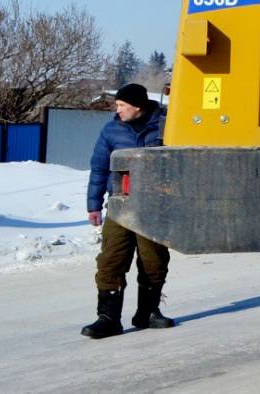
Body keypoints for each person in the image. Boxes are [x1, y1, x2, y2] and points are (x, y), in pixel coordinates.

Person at [82, 82, 173, 338]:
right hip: (121, 204)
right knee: (111, 260)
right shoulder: (111, 130)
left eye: (122, 105)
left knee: (153, 260)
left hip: (155, 206)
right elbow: (99, 168)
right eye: (117, 105)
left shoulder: (165, 126)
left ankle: (148, 312)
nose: (117, 109)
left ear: (138, 106)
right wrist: (94, 205)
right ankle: (108, 318)